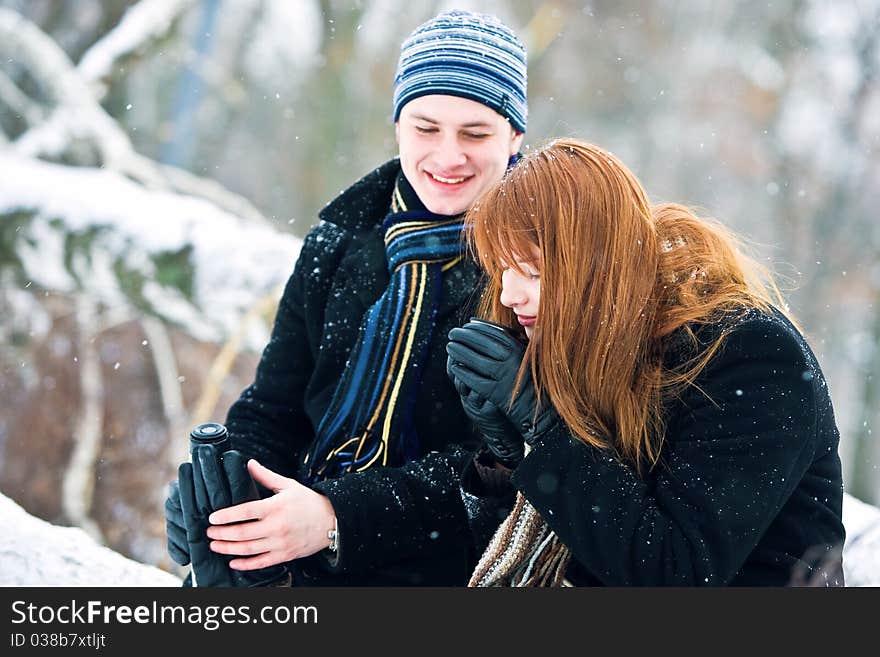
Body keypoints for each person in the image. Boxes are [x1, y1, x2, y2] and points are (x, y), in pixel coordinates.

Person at [164, 9, 528, 586]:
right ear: (398, 126)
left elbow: (506, 467)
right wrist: (224, 496)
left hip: (448, 575)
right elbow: (274, 407)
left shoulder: (535, 264)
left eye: (476, 133)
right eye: (426, 128)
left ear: (515, 136)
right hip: (301, 561)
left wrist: (338, 518)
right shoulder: (337, 244)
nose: (448, 156)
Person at [445, 138, 846, 586]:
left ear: (599, 266)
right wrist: (506, 457)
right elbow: (535, 547)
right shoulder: (582, 342)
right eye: (502, 270)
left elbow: (674, 572)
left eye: (534, 272)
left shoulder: (750, 355)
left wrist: (546, 429)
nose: (508, 295)